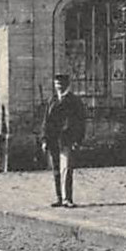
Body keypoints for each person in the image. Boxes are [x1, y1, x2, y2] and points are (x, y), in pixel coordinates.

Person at [41, 73, 86, 206]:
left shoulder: (74, 101)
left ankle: (68, 198)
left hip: (67, 139)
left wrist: (78, 140)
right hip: (53, 140)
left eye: (61, 84)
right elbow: (46, 121)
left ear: (67, 85)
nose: (58, 87)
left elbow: (80, 123)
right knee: (56, 169)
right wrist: (44, 139)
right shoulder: (52, 101)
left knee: (66, 168)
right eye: (56, 84)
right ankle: (59, 197)